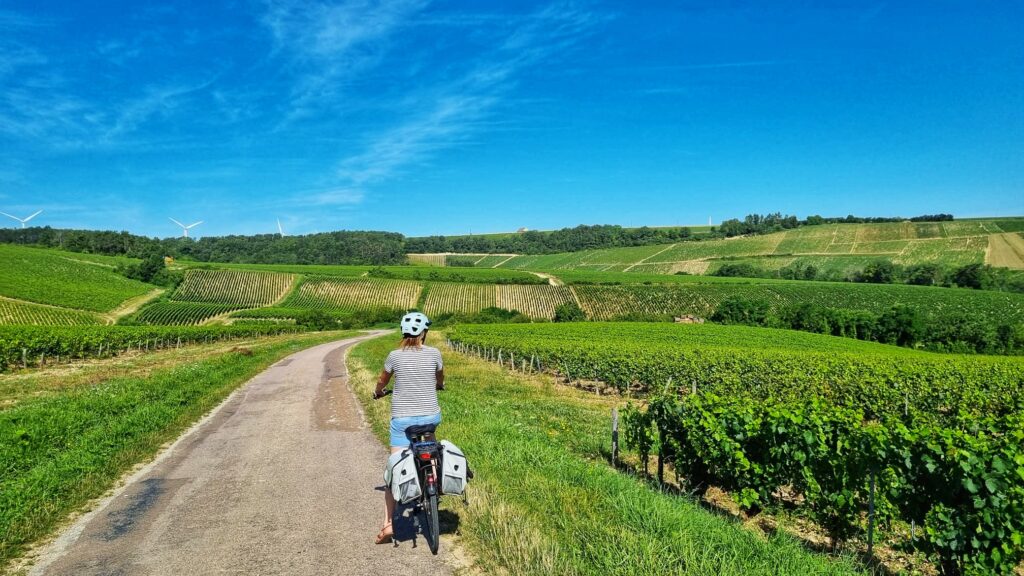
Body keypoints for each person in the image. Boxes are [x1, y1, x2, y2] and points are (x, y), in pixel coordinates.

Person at [374, 312, 444, 544]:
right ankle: (434, 479)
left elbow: (382, 380)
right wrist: (440, 385)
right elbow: (440, 377)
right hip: (430, 416)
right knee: (430, 442)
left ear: (403, 333)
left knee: (395, 468)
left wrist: (378, 392)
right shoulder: (434, 353)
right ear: (424, 333)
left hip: (402, 420)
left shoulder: (394, 356)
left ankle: (387, 524)